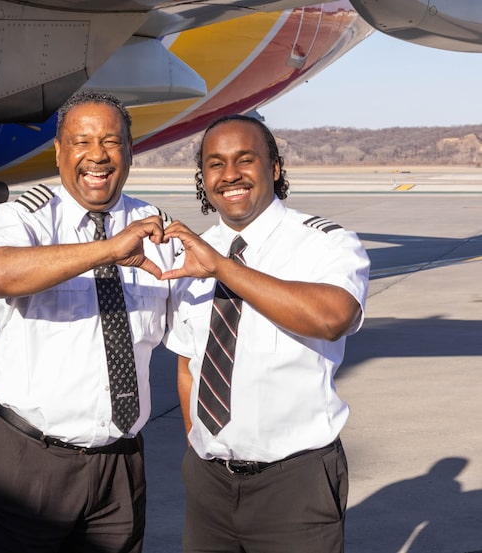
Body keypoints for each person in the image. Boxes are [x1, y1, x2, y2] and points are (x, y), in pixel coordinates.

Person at [0, 91, 177, 553]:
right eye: (81, 141)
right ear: (60, 152)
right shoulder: (25, 215)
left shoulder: (155, 227)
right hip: (28, 463)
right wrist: (107, 249)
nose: (97, 155)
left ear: (130, 150)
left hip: (119, 466)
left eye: (111, 141)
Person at [162, 114, 370, 552]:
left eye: (245, 160)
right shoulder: (194, 251)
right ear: (204, 177)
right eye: (215, 164)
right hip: (210, 484)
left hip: (294, 484)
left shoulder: (323, 243)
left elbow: (335, 317)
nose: (230, 174)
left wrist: (224, 268)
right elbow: (188, 366)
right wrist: (202, 447)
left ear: (274, 168)